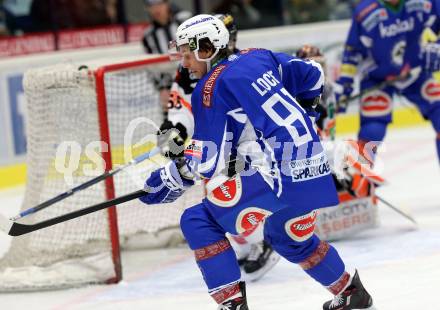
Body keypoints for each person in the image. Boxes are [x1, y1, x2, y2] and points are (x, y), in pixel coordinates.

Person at [140, 14, 374, 310]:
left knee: (198, 220)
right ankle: (352, 295)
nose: (184, 64)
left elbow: (206, 161)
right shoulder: (259, 57)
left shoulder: (209, 87)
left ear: (208, 48)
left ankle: (232, 306)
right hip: (313, 163)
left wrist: (169, 177)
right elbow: (313, 73)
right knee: (288, 237)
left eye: (188, 55)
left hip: (279, 173)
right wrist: (308, 111)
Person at [159, 13, 280, 282]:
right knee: (217, 194)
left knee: (226, 192)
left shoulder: (241, 65)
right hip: (216, 144)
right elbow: (182, 105)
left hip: (250, 147)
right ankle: (250, 244)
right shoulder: (191, 69)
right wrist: (176, 128)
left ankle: (266, 239)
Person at [335, 0, 440, 165]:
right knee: (372, 130)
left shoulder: (424, 2)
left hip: (416, 73)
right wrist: (344, 84)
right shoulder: (365, 12)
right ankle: (360, 183)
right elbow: (352, 51)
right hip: (377, 77)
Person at [142, 0, 191, 111]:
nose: (156, 9)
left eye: (159, 4)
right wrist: (161, 88)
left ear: (167, 4)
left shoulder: (184, 23)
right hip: (169, 88)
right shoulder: (148, 36)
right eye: (151, 6)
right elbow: (152, 67)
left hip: (194, 81)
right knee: (172, 124)